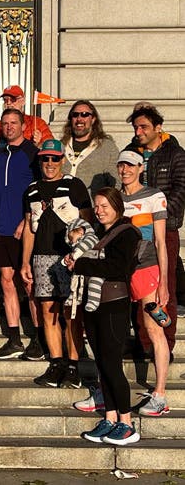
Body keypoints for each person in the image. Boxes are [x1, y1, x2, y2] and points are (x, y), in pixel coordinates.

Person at [72, 187, 141, 445]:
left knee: (112, 365)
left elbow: (117, 268)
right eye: (96, 206)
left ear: (117, 206)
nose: (99, 211)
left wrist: (80, 264)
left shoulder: (127, 233)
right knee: (101, 364)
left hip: (114, 304)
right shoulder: (96, 233)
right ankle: (110, 418)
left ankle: (127, 423)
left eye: (105, 206)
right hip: (93, 305)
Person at [21, 139, 92, 388]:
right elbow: (30, 228)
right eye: (45, 158)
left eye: (54, 158)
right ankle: (57, 363)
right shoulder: (31, 190)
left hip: (69, 256)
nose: (49, 163)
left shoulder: (74, 185)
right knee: (47, 310)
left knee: (70, 311)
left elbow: (87, 223)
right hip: (41, 256)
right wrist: (25, 262)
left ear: (63, 160)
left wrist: (81, 254)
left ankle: (73, 366)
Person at [0, 108, 44, 359]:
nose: (9, 127)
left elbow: (41, 192)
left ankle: (39, 340)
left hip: (25, 228)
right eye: (5, 123)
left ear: (23, 125)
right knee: (6, 281)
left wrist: (26, 220)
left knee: (29, 284)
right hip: (2, 227)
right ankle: (15, 338)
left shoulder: (34, 154)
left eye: (13, 123)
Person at [124, 105, 185, 357]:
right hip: (134, 232)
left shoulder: (175, 154)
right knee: (136, 287)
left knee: (163, 287)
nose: (138, 132)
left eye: (144, 127)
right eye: (136, 127)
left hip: (164, 230)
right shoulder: (130, 153)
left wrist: (152, 212)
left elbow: (180, 191)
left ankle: (164, 343)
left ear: (158, 128)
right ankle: (142, 341)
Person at [118, 149, 170, 416]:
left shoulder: (153, 196)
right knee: (113, 330)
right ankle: (110, 391)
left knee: (154, 329)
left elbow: (161, 242)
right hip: (119, 272)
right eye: (121, 166)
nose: (125, 170)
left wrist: (164, 283)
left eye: (130, 166)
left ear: (141, 168)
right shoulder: (115, 197)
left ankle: (160, 393)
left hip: (146, 268)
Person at [60, 100, 119, 197]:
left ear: (93, 119)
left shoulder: (107, 147)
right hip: (62, 208)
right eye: (75, 115)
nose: (79, 119)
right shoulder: (61, 146)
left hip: (91, 209)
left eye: (84, 114)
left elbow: (116, 181)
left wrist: (105, 205)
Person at [0, 85, 53, 149]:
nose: (8, 103)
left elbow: (52, 146)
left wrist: (39, 145)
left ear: (23, 101)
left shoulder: (37, 123)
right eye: (5, 100)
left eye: (13, 99)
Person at [63, 218, 103, 313]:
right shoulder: (77, 246)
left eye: (73, 240)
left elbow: (84, 246)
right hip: (85, 268)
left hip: (97, 268)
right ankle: (74, 297)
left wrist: (75, 254)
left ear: (80, 232)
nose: (73, 243)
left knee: (95, 282)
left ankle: (93, 302)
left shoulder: (91, 238)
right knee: (76, 280)